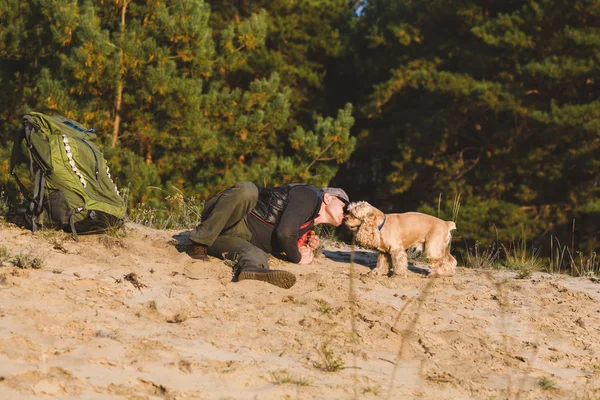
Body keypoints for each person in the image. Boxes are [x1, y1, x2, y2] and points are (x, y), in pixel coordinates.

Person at [186, 182, 350, 289]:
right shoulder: (310, 194)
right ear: (327, 198)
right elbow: (285, 233)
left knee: (256, 255)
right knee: (247, 190)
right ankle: (199, 241)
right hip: (227, 217)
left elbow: (287, 239)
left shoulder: (308, 223)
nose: (346, 214)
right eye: (344, 206)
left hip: (229, 238)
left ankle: (251, 271)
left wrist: (306, 246)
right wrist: (298, 258)